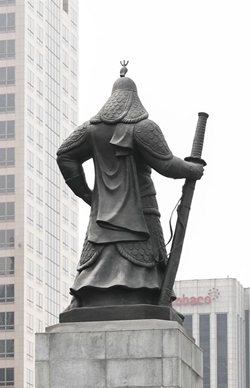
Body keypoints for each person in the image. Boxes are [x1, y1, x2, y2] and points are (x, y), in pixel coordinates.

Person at [56, 64, 204, 310]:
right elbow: (166, 164)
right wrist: (192, 169)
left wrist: (88, 195)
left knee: (98, 251)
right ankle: (152, 297)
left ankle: (82, 299)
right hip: (142, 207)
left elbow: (65, 155)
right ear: (135, 98)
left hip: (103, 212)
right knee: (146, 252)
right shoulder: (144, 127)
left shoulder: (91, 129)